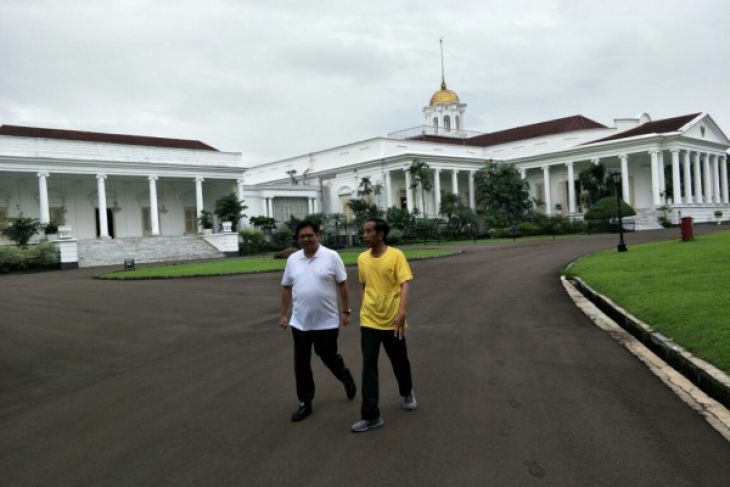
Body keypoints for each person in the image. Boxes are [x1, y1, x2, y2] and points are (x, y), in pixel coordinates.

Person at [280, 220, 357, 422]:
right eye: (302, 236)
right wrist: (283, 314)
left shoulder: (331, 257)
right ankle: (305, 402)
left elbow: (342, 284)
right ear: (298, 239)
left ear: (317, 236)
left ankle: (344, 376)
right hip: (300, 322)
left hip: (327, 322)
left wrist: (346, 311)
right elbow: (287, 287)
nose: (306, 239)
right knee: (301, 363)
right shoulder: (293, 260)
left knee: (328, 356)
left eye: (309, 235)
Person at [351, 218, 416, 433]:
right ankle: (371, 416)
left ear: (380, 234)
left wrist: (402, 312)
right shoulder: (362, 259)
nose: (364, 235)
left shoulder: (396, 256)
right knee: (369, 365)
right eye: (364, 231)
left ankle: (406, 391)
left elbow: (404, 283)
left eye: (369, 231)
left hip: (392, 320)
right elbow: (363, 286)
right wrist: (363, 309)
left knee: (399, 361)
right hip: (369, 320)